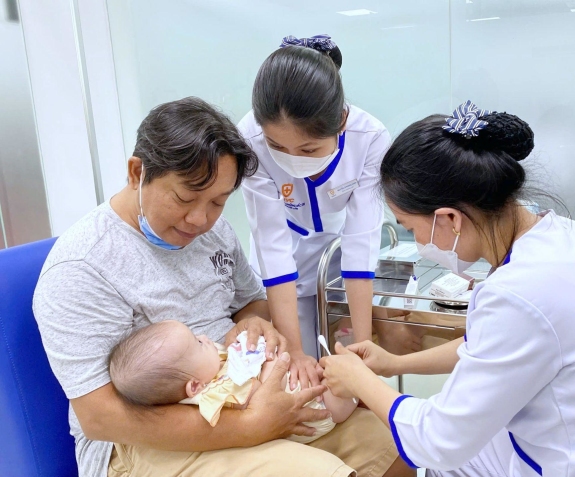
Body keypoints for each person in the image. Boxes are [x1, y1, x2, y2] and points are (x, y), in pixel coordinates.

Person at [33, 97, 410, 477]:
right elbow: (100, 418)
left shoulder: (213, 235)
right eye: (184, 198)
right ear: (136, 173)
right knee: (319, 472)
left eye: (217, 202)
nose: (199, 219)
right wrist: (250, 425)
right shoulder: (82, 268)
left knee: (398, 445)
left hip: (242, 391)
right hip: (146, 441)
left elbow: (252, 303)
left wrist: (254, 322)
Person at [321, 101, 575, 476]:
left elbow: (439, 440)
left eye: (411, 228)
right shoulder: (568, 237)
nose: (419, 242)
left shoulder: (521, 293)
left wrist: (360, 381)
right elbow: (490, 349)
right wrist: (394, 363)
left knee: (441, 455)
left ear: (450, 218)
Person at [238, 34, 391, 389]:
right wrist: (294, 351)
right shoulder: (249, 139)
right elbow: (272, 243)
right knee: (296, 376)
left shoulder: (369, 138)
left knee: (346, 368)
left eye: (308, 150)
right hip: (279, 272)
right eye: (276, 146)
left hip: (339, 262)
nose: (291, 159)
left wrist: (362, 348)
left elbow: (360, 242)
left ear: (340, 123)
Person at [108, 320, 356, 443]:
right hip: (309, 414)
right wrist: (270, 367)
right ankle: (360, 384)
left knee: (333, 375)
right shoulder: (216, 394)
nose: (205, 337)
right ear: (195, 386)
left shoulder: (204, 369)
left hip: (298, 388)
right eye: (198, 343)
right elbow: (258, 400)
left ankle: (357, 381)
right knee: (341, 395)